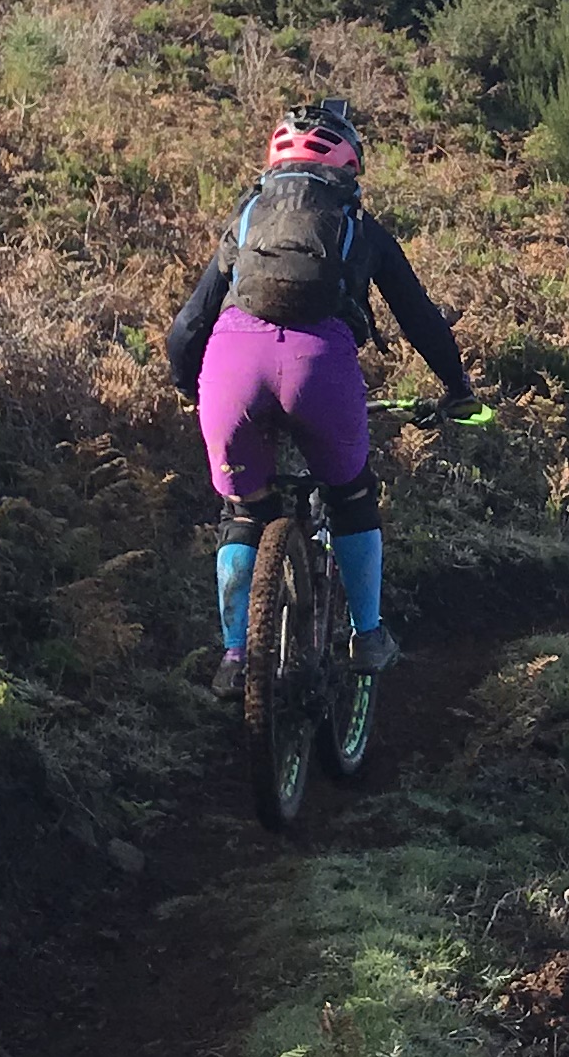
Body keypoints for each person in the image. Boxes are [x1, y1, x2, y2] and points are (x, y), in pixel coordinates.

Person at [165, 101, 473, 696]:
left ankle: (234, 655)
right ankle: (367, 636)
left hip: (232, 366)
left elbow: (188, 327)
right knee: (352, 496)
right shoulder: (361, 228)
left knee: (243, 513)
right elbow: (420, 319)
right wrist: (457, 389)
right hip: (319, 367)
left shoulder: (246, 221)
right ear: (350, 168)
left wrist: (190, 388)